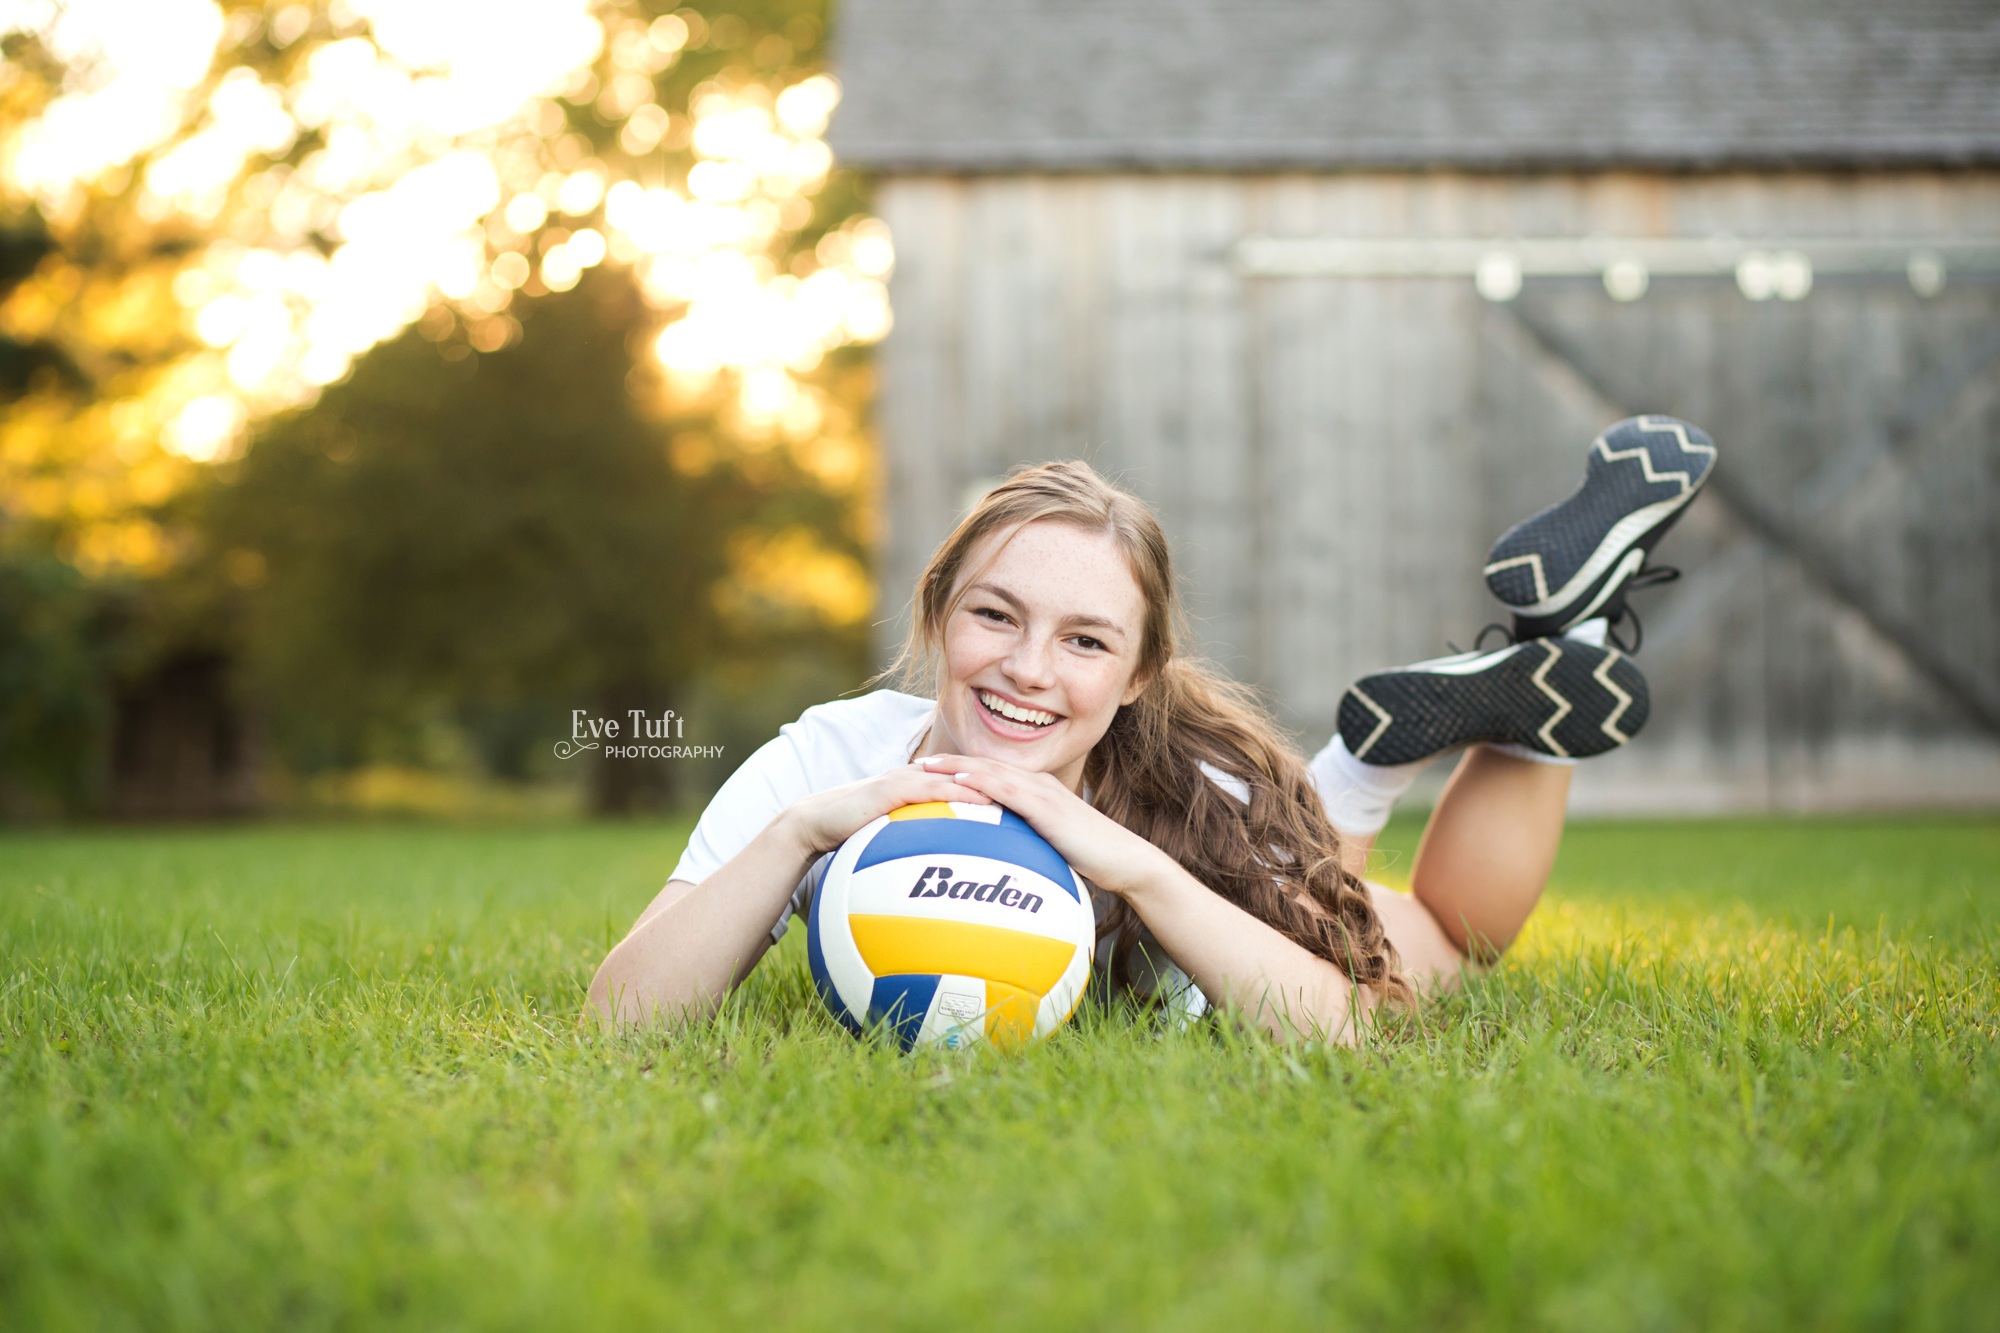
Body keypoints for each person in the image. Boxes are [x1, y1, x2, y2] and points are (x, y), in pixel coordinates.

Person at [587, 416, 1718, 1042]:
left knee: (1447, 943)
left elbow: (1351, 1028)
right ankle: (1515, 669)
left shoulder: (1190, 794)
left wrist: (1139, 870)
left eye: (1085, 641)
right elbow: (619, 1020)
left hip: (1220, 842)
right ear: (936, 614)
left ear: (1137, 678)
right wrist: (797, 836)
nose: (1027, 670)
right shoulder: (825, 758)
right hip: (874, 806)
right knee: (1398, 900)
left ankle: (1525, 667)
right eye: (994, 615)